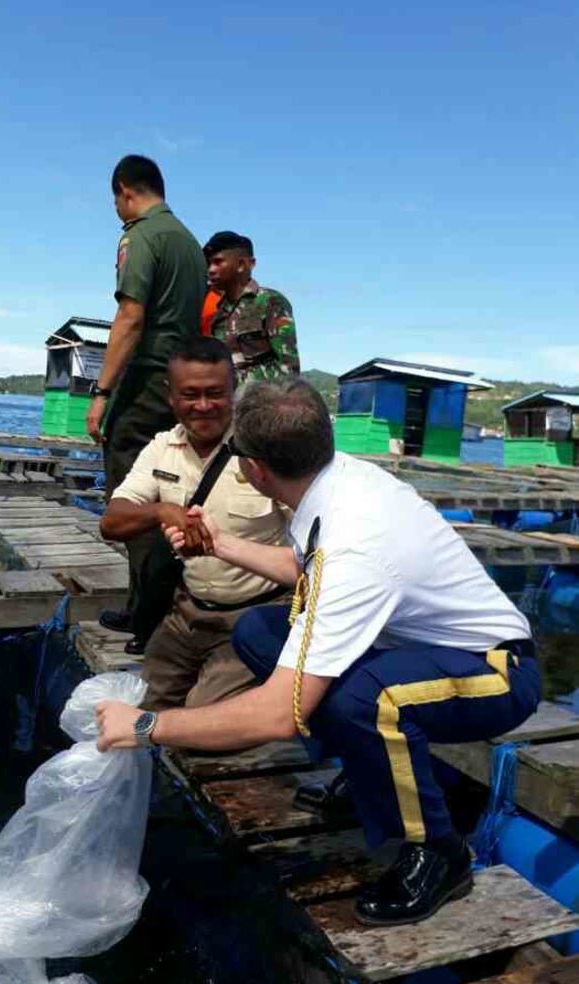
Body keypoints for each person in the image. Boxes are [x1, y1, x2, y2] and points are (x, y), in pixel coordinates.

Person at [96, 380, 541, 928]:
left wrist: (145, 726)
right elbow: (304, 568)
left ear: (254, 469)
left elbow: (278, 715)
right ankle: (366, 775)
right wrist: (220, 543)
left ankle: (439, 853)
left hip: (496, 671)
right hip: (416, 652)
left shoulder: (354, 544)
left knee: (368, 700)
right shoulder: (335, 482)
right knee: (260, 630)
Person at [100, 338, 290, 699]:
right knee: (145, 703)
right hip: (187, 610)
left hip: (257, 613)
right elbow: (111, 522)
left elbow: (316, 547)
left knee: (204, 713)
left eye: (215, 393)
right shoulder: (161, 448)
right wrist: (162, 510)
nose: (203, 406)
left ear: (234, 391)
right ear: (170, 396)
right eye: (190, 395)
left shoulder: (267, 450)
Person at [89, 154, 206, 636]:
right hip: (178, 386)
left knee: (132, 497)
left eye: (116, 200)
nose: (117, 209)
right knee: (171, 489)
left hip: (144, 383)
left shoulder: (141, 236)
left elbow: (131, 317)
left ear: (125, 190)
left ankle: (147, 616)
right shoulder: (190, 243)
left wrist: (102, 392)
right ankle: (156, 608)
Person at [204, 231, 300, 384]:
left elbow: (288, 369)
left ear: (242, 265)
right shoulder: (218, 316)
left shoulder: (270, 302)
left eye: (218, 262)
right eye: (209, 263)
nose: (211, 270)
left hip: (265, 397)